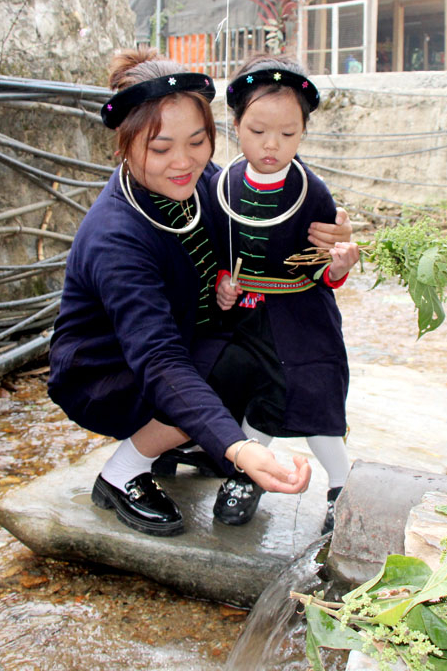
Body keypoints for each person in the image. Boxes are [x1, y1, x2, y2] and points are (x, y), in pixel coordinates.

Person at [46, 48, 351, 538]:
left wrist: (327, 245)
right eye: (160, 148)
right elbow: (161, 360)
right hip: (109, 368)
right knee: (231, 369)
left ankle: (183, 438)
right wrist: (238, 448)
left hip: (185, 333)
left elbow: (265, 236)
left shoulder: (205, 181)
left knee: (273, 343)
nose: (183, 163)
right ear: (124, 146)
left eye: (197, 141)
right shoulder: (115, 236)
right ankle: (121, 474)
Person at [207, 54, 360, 533]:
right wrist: (222, 287)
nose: (272, 145)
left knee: (314, 395)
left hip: (303, 315)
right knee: (258, 396)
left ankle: (344, 485)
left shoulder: (311, 193)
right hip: (249, 316)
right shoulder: (223, 185)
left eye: (288, 134)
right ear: (234, 125)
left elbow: (323, 265)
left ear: (303, 132)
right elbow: (213, 252)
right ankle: (246, 473)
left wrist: (337, 266)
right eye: (257, 132)